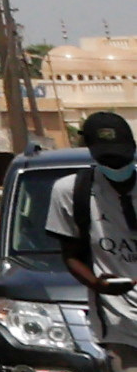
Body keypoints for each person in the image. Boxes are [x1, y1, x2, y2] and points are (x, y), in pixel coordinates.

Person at [50, 110, 137, 291]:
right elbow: (71, 255)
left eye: (121, 157)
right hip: (111, 315)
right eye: (108, 159)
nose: (116, 165)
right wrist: (96, 283)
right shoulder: (70, 191)